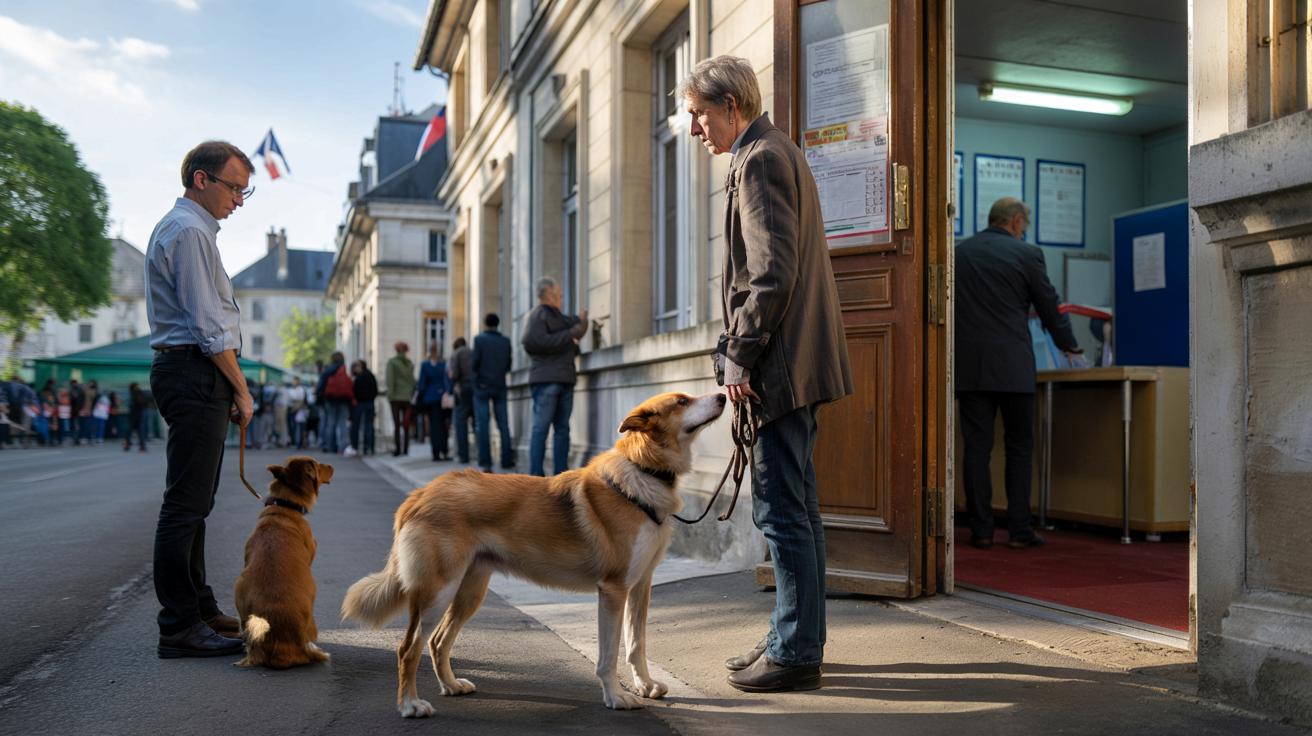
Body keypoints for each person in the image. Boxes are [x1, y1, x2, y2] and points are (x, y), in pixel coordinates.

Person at [680, 55, 852, 693]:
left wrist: (739, 355)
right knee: (798, 510)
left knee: (782, 512)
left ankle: (795, 651)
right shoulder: (772, 152)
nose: (693, 128)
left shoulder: (760, 160)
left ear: (731, 106)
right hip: (790, 363)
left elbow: (769, 275)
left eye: (698, 114)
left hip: (778, 369)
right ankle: (795, 635)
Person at [145, 139, 255, 658]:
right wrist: (241, 389)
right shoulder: (188, 231)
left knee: (195, 504)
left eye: (244, 191)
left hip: (194, 371)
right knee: (185, 506)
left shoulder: (192, 230)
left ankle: (199, 609)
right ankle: (179, 626)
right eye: (234, 188)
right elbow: (208, 325)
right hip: (192, 370)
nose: (238, 200)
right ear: (201, 179)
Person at [955, 197, 1082, 551]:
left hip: (970, 368)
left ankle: (981, 531)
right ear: (1015, 222)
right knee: (1019, 447)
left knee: (976, 448)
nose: (1023, 231)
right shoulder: (1027, 255)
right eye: (1023, 225)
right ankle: (1019, 530)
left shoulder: (960, 255)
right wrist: (1070, 346)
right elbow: (1049, 307)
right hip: (1013, 366)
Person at [521, 277, 588, 476]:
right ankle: (536, 477)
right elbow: (532, 342)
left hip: (565, 379)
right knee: (541, 430)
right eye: (559, 294)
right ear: (550, 294)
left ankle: (561, 476)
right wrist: (569, 336)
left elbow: (575, 326)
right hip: (546, 382)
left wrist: (581, 321)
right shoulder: (537, 316)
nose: (561, 298)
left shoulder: (558, 316)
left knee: (562, 430)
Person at [471, 313, 515, 473]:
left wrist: (476, 380)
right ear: (498, 324)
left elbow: (474, 363)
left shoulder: (479, 340)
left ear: (485, 323)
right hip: (500, 385)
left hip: (482, 386)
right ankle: (506, 460)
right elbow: (508, 364)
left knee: (483, 425)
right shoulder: (505, 341)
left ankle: (486, 463)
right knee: (503, 424)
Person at [415, 344, 453, 462]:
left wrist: (420, 396)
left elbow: (422, 384)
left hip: (431, 399)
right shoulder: (443, 365)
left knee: (434, 426)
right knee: (444, 426)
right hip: (443, 398)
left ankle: (436, 452)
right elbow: (448, 381)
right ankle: (444, 451)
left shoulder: (425, 365)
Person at [315, 351, 353, 454]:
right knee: (342, 424)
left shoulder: (328, 370)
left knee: (330, 423)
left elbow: (321, 385)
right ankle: (343, 446)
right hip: (343, 400)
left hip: (330, 399)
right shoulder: (344, 369)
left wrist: (319, 397)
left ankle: (330, 445)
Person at [385, 342, 416, 457]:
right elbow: (412, 381)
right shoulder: (409, 363)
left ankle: (398, 448)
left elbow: (390, 380)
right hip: (407, 397)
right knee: (406, 424)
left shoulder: (392, 362)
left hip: (395, 397)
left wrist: (390, 395)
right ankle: (406, 448)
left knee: (397, 424)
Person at [447, 336, 474, 464]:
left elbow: (454, 375)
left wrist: (450, 375)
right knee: (477, 423)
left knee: (461, 424)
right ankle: (481, 454)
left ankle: (464, 456)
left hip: (462, 389)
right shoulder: (472, 351)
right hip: (475, 389)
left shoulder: (456, 354)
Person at [350, 359, 379, 457]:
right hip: (370, 402)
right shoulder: (371, 376)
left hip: (360, 403)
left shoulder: (358, 378)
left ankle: (355, 446)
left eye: (357, 366)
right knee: (369, 426)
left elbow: (354, 391)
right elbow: (375, 391)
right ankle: (369, 447)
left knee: (356, 426)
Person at [124, 382, 149, 452]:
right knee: (138, 431)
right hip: (136, 415)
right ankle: (140, 446)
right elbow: (142, 402)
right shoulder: (137, 393)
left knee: (131, 430)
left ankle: (129, 444)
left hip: (135, 415)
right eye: (137, 386)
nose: (138, 387)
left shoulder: (133, 394)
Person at [285, 376, 308, 450]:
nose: (293, 382)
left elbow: (301, 401)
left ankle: (299, 443)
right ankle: (294, 441)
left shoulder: (301, 390)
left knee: (299, 427)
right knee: (292, 427)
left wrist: (295, 409)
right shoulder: (291, 390)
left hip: (298, 410)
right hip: (292, 409)